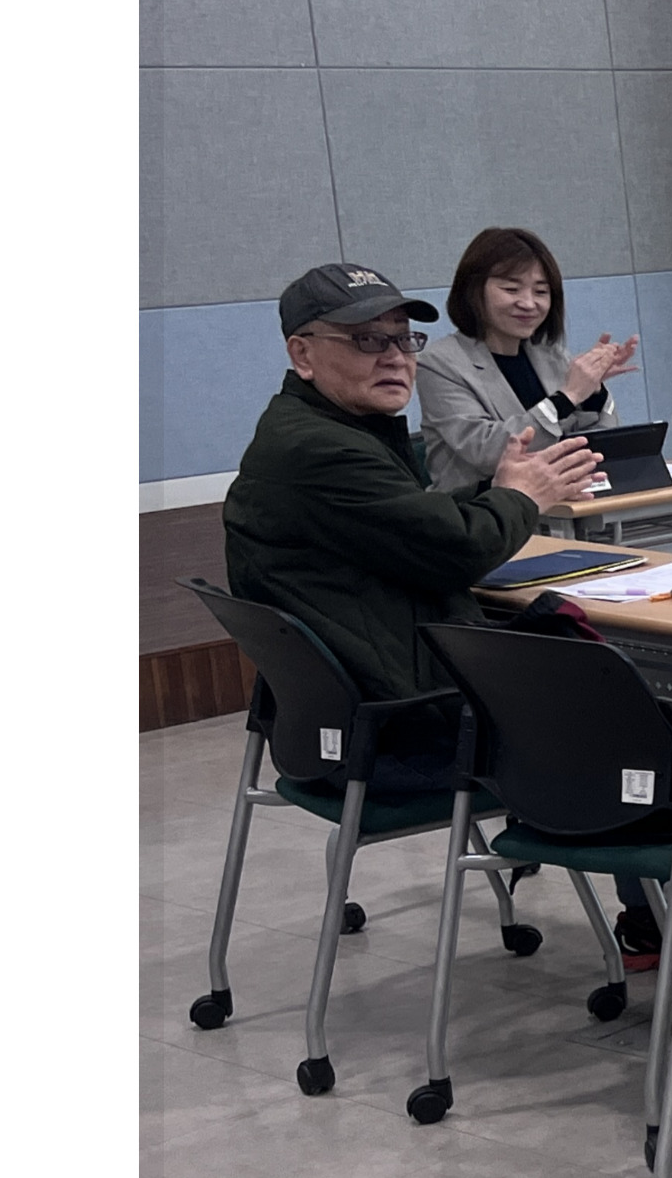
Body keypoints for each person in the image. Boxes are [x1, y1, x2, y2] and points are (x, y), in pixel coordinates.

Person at [221, 260, 603, 792]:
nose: (395, 358)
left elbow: (409, 521)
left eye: (404, 340)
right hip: (408, 729)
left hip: (358, 717)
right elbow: (460, 550)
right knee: (652, 732)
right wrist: (521, 497)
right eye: (367, 340)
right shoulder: (323, 450)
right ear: (302, 354)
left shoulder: (314, 429)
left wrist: (503, 488)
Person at [414, 227, 640, 496]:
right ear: (473, 291)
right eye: (511, 289)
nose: (529, 303)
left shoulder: (551, 355)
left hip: (564, 505)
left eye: (541, 292)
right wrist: (567, 397)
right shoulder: (439, 363)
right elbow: (490, 452)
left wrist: (593, 390)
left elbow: (598, 445)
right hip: (479, 512)